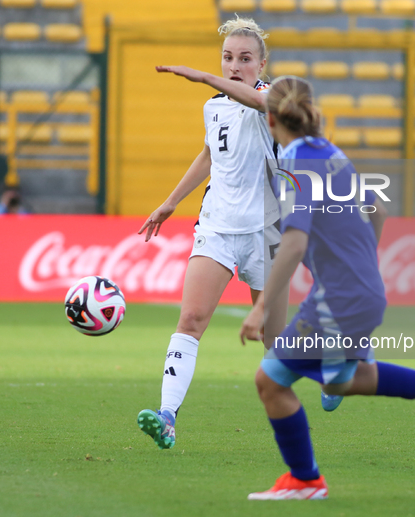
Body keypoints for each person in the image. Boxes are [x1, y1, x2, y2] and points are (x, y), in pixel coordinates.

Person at [239, 76, 415, 500]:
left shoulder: (295, 163)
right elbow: (379, 209)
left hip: (339, 296)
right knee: (338, 382)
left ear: (269, 117)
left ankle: (305, 479)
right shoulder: (331, 153)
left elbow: (295, 242)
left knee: (271, 380)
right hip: (364, 290)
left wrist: (260, 307)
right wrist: (354, 263)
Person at [136, 16, 288, 449]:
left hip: (267, 231)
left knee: (275, 343)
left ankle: (333, 374)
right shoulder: (214, 105)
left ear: (262, 64)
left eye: (245, 59)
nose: (234, 66)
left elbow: (258, 104)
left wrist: (202, 77)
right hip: (218, 226)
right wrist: (171, 201)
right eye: (227, 58)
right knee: (191, 319)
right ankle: (167, 417)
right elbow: (208, 153)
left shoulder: (272, 100)